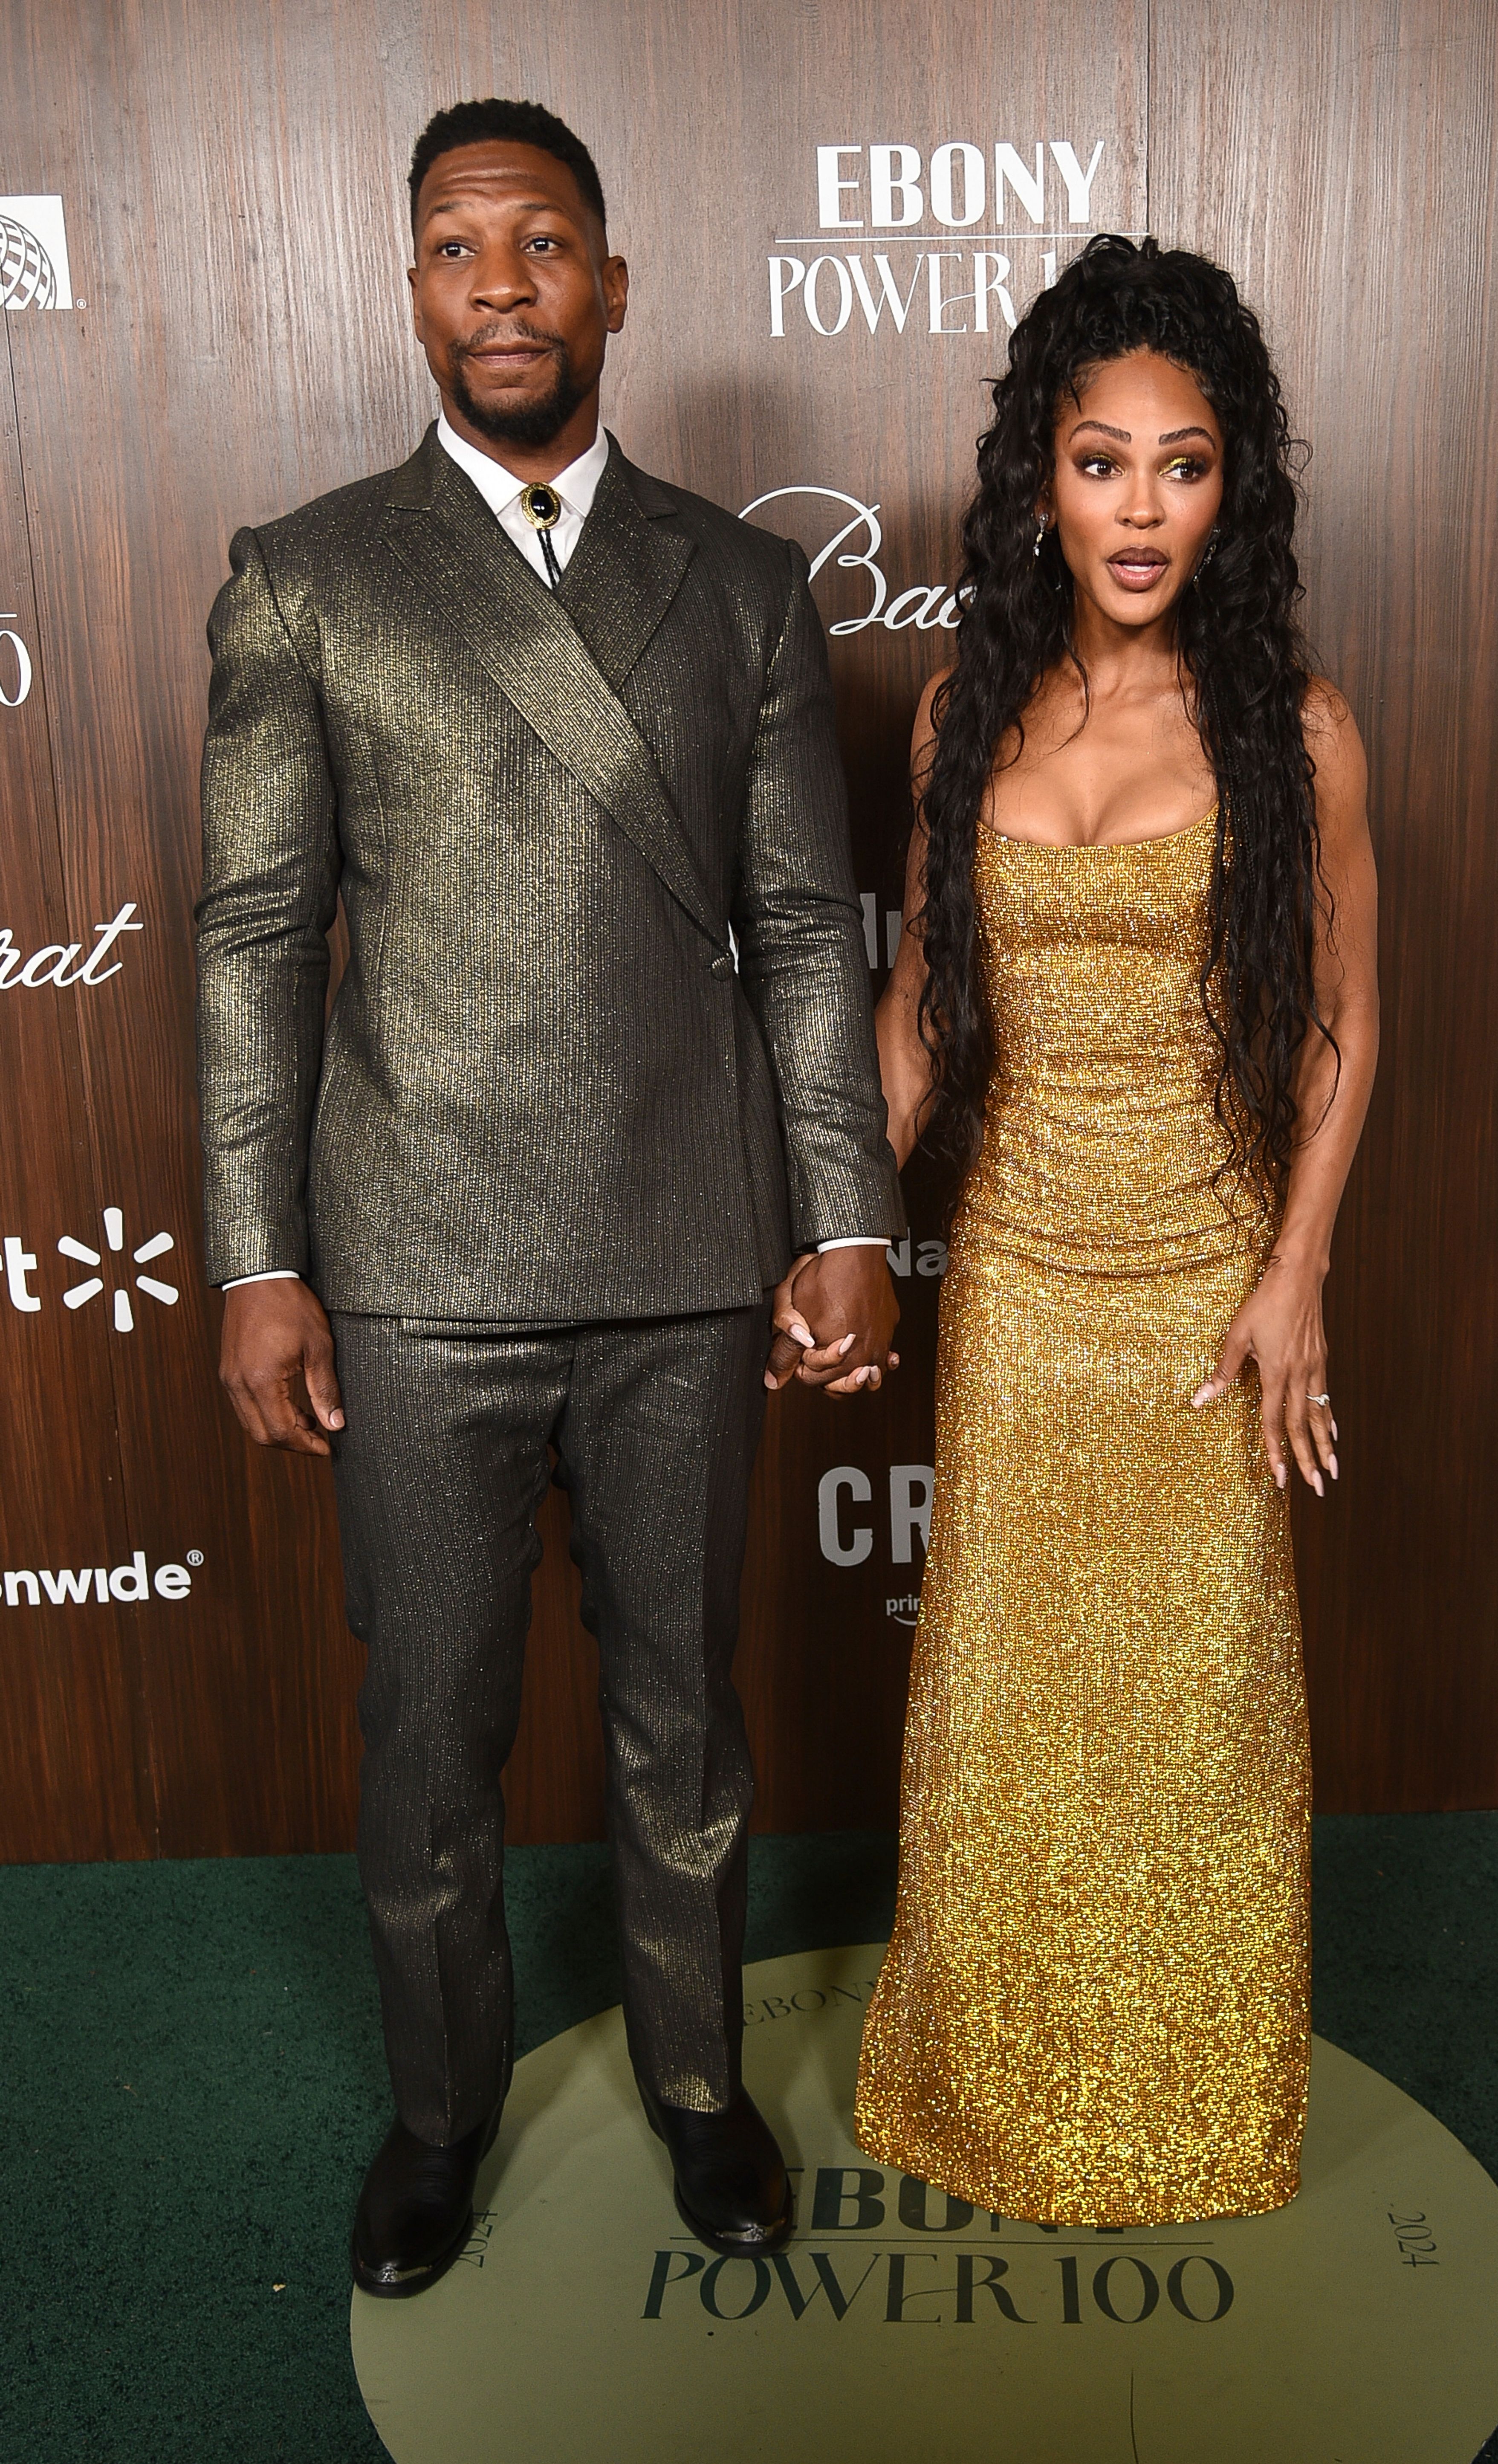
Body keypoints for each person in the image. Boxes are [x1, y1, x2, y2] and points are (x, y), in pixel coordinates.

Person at [194, 96, 902, 2298]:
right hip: (411, 1256)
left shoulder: (744, 580)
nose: (498, 281)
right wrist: (261, 1259)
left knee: (686, 1711)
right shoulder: (307, 574)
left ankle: (701, 2086)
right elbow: (247, 935)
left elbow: (808, 930)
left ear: (615, 280)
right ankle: (439, 2110)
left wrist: (846, 1214)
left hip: (688, 1239)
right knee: (430, 1729)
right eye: (452, 246)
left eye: (540, 241)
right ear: (413, 292)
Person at [843, 236, 1379, 2224]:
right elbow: (919, 1026)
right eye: (1100, 462)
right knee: (1007, 1701)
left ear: (1233, 486)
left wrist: (1297, 1265)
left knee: (1193, 1716)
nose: (1140, 508)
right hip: (1015, 1279)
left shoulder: (1297, 729)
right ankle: (1001, 2096)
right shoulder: (955, 719)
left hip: (1200, 1288)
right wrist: (827, 1228)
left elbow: (1342, 1019)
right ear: (1039, 480)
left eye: (1184, 463)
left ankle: (1192, 2104)